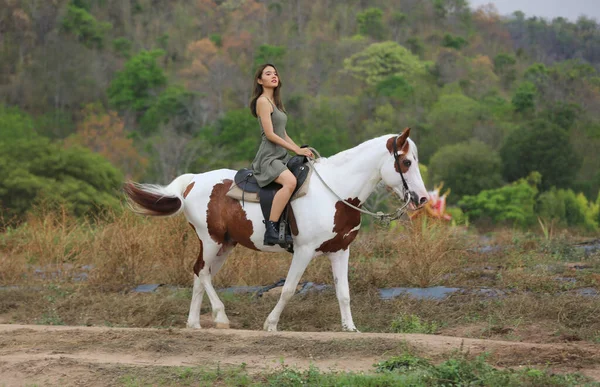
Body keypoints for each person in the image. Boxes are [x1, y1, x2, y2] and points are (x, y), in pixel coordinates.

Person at [249, 64, 313, 246]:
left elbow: (282, 133)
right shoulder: (262, 101)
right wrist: (295, 150)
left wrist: (299, 149)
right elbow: (270, 134)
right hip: (268, 158)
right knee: (290, 182)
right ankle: (271, 229)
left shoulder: (275, 103)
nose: (274, 76)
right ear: (260, 81)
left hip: (281, 155)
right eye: (268, 74)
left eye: (275, 73)